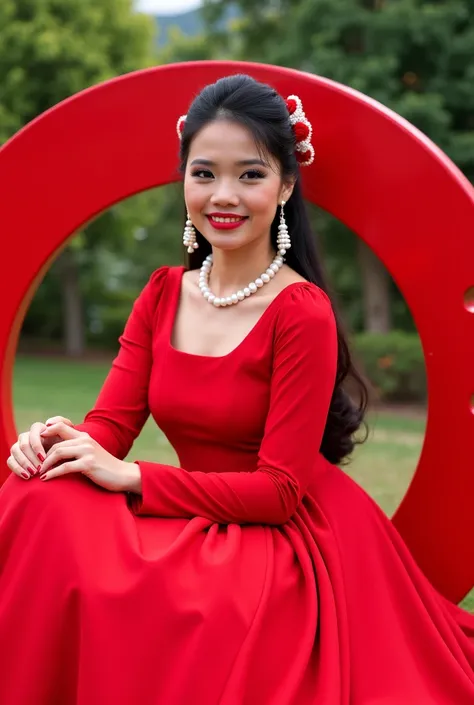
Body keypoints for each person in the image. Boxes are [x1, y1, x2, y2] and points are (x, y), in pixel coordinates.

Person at [0, 74, 473, 705]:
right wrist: (61, 443)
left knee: (205, 608)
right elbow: (108, 427)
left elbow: (278, 493)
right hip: (197, 517)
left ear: (285, 184)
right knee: (39, 492)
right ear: (185, 181)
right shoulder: (165, 291)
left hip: (283, 532)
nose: (224, 195)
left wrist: (134, 477)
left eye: (250, 174)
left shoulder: (300, 310)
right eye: (205, 174)